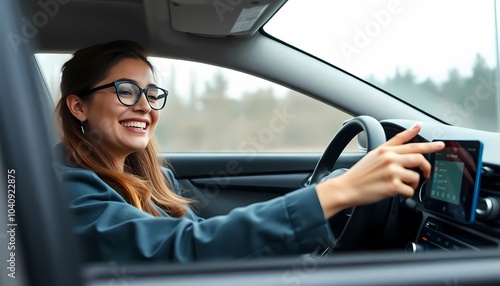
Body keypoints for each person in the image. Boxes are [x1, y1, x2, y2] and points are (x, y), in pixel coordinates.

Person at [53, 40, 444, 263]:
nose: (144, 106)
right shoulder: (68, 194)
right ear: (78, 106)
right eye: (126, 91)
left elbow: (206, 241)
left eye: (152, 94)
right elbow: (184, 249)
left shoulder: (153, 180)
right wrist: (335, 193)